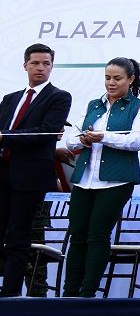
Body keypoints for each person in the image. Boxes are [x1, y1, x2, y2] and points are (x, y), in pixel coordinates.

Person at [63, 57, 140, 297]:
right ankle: (69, 293)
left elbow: (136, 141)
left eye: (117, 78)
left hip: (117, 180)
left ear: (130, 79)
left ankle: (88, 292)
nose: (111, 83)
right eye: (107, 77)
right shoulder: (93, 104)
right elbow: (70, 139)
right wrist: (82, 139)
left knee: (98, 234)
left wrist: (103, 136)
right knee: (77, 233)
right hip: (84, 178)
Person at [0, 43, 72, 297]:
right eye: (35, 63)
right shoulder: (10, 99)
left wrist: (4, 136)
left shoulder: (59, 97)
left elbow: (45, 132)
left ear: (52, 66)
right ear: (25, 66)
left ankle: (9, 296)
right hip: (3, 173)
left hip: (29, 177)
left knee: (18, 237)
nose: (41, 68)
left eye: (46, 63)